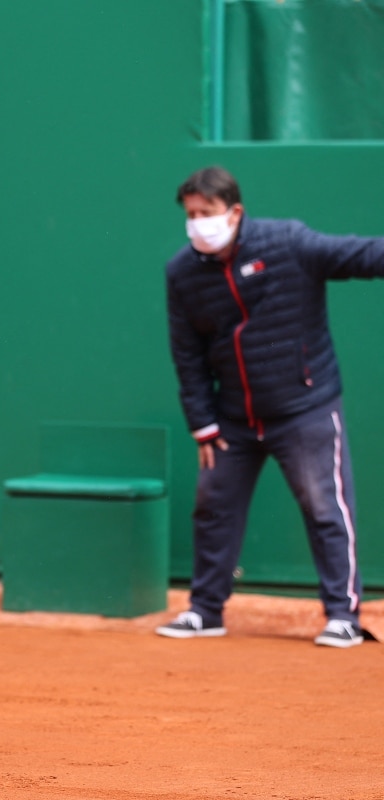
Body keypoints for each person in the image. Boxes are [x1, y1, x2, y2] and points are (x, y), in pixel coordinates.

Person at [156, 165, 381, 649]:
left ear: (234, 212)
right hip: (232, 418)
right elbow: (188, 356)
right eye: (190, 214)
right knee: (212, 508)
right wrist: (203, 424)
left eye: (207, 213)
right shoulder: (181, 272)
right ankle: (206, 610)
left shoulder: (289, 244)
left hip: (306, 407)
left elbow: (358, 255)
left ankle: (342, 615)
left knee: (327, 510)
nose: (197, 223)